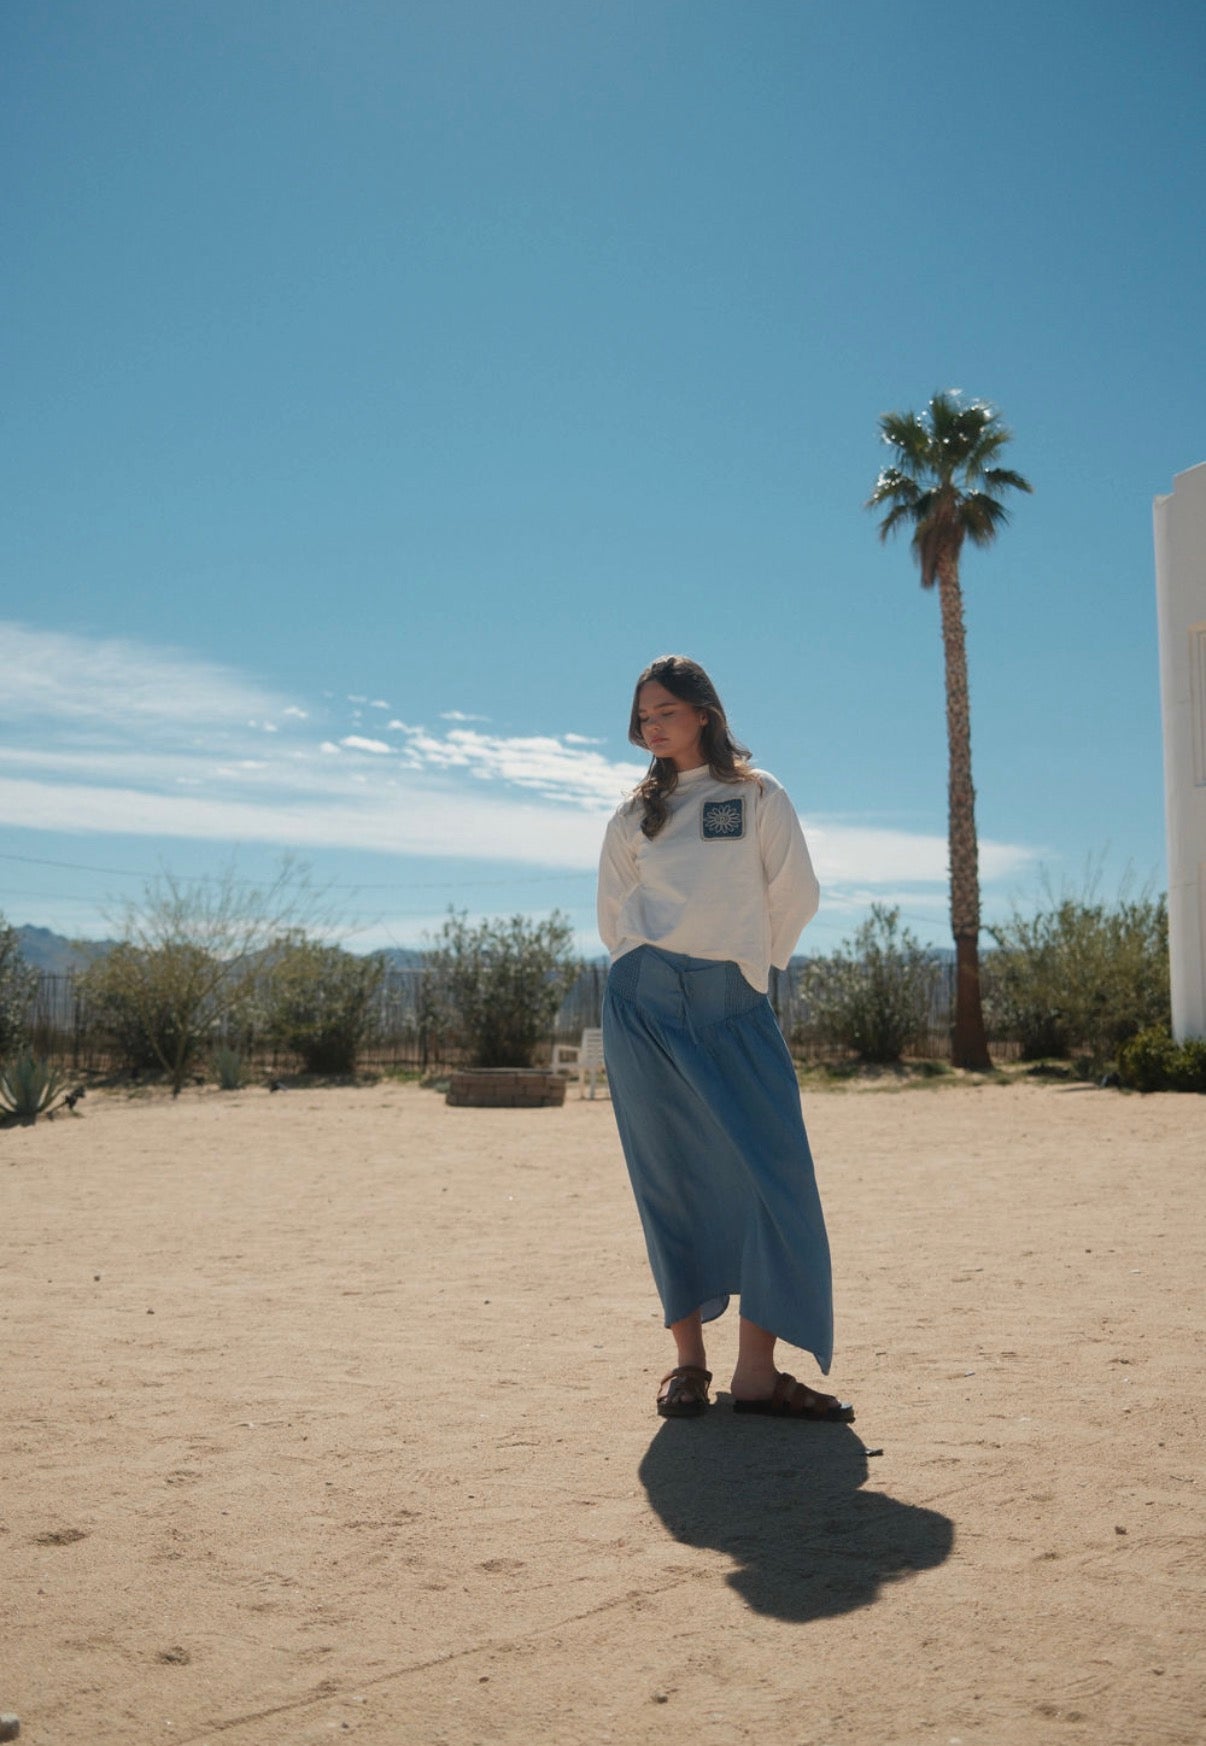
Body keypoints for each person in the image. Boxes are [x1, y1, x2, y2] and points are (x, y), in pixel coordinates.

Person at [597, 654, 853, 1423]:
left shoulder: (756, 794)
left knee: (775, 1178)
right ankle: (687, 1366)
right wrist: (652, 975)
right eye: (644, 715)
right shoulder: (630, 814)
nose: (653, 725)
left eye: (666, 710)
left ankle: (755, 1373)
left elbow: (795, 891)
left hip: (734, 1002)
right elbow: (614, 916)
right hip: (643, 1007)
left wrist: (749, 974)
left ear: (703, 711)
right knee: (667, 1177)